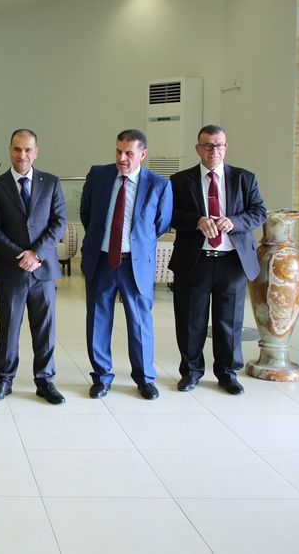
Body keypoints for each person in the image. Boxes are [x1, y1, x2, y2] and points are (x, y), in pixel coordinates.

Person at [169, 125, 266, 395]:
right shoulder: (180, 180)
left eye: (219, 145)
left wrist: (234, 222)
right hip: (194, 260)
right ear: (198, 148)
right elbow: (169, 215)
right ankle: (191, 372)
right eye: (208, 145)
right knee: (191, 321)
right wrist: (196, 221)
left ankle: (227, 373)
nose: (214, 150)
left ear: (226, 147)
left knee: (229, 322)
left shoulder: (244, 179)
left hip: (231, 261)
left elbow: (259, 212)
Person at [81, 128, 172, 400]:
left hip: (135, 264)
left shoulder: (158, 185)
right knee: (98, 319)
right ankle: (101, 377)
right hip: (102, 260)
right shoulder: (98, 175)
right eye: (118, 151)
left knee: (140, 322)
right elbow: (87, 214)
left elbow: (160, 224)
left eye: (129, 153)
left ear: (142, 154)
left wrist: (136, 243)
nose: (122, 158)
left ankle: (144, 378)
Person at [0, 129, 68, 405]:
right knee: (8, 326)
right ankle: (4, 379)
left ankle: (45, 380)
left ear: (36, 152)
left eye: (28, 149)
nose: (22, 155)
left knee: (44, 327)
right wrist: (21, 256)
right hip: (11, 269)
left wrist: (37, 254)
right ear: (10, 150)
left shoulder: (51, 182)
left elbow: (58, 222)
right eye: (17, 149)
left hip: (43, 270)